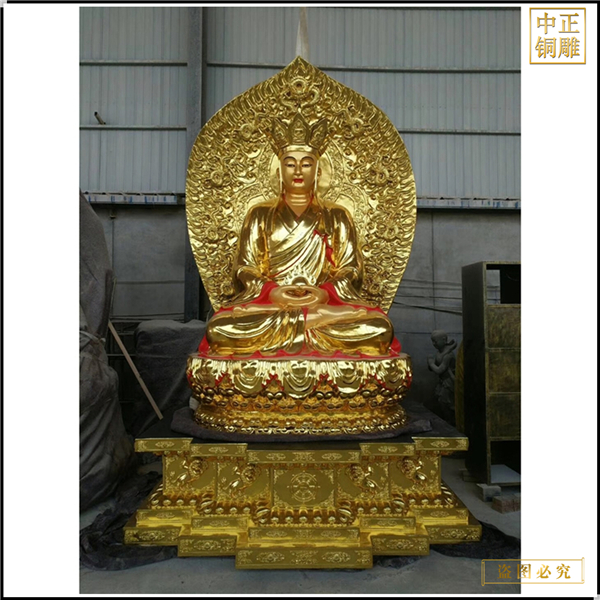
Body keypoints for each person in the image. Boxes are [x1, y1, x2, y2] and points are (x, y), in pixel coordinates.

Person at [201, 112, 398, 358]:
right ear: (278, 171)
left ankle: (310, 321)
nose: (297, 170)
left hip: (323, 303)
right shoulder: (259, 214)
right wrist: (273, 292)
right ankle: (310, 322)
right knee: (219, 330)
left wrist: (324, 293)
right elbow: (245, 268)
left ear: (318, 171)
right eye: (289, 163)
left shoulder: (337, 215)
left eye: (306, 164)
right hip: (272, 306)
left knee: (380, 329)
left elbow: (350, 270)